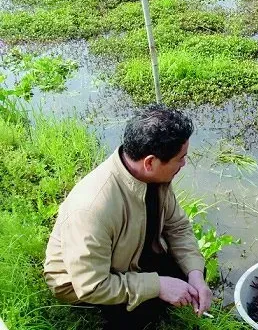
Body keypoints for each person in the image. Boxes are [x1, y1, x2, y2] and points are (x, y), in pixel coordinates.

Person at [44, 105, 212, 329]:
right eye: (180, 158)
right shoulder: (92, 208)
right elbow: (91, 285)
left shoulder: (155, 178)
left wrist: (195, 274)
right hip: (85, 284)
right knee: (139, 315)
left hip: (128, 257)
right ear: (150, 162)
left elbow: (177, 227)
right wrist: (158, 286)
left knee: (191, 270)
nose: (184, 164)